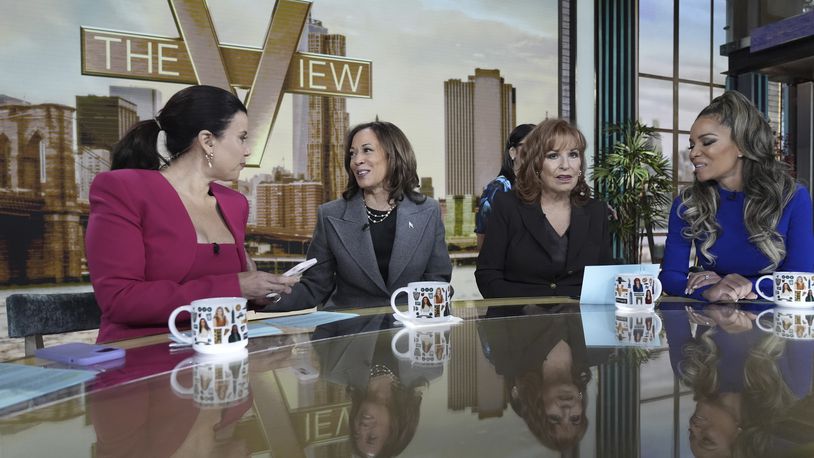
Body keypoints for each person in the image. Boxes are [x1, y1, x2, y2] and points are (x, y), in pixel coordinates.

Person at [85, 85, 298, 343]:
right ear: (207, 141)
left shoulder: (235, 203)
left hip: (222, 358)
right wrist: (237, 286)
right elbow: (120, 300)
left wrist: (258, 295)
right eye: (242, 137)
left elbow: (234, 297)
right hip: (143, 356)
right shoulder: (123, 189)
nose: (247, 150)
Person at [272, 121, 452, 310]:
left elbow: (437, 280)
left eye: (367, 150)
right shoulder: (330, 215)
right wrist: (262, 298)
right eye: (352, 153)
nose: (357, 160)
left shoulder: (428, 211)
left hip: (410, 331)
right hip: (349, 333)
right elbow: (315, 287)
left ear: (393, 156)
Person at [660, 91, 814, 303]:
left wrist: (746, 286)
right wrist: (707, 292)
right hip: (713, 327)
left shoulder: (793, 198)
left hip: (780, 326)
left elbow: (802, 278)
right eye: (692, 144)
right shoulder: (687, 203)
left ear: (742, 145)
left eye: (707, 142)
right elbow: (670, 277)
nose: (694, 153)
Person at [475, 119, 612, 298]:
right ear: (536, 164)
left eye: (573, 154)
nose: (566, 165)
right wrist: (527, 307)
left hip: (579, 322)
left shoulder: (597, 211)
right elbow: (488, 276)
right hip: (520, 320)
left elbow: (605, 280)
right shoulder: (507, 205)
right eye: (553, 156)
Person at [475, 124, 536, 250]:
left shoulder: (546, 187)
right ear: (513, 152)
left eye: (541, 147)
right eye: (529, 146)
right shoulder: (497, 190)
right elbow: (484, 240)